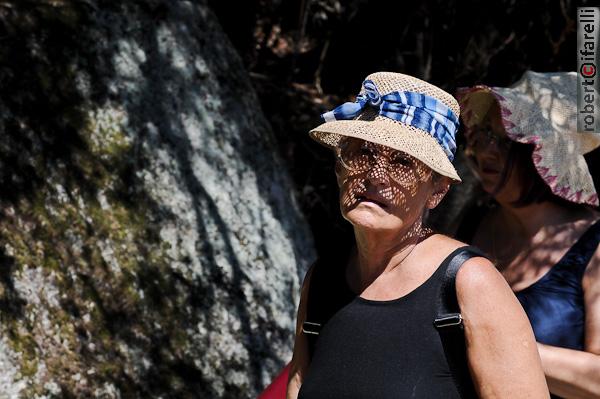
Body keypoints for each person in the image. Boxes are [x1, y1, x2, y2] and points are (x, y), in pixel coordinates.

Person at [286, 71, 549, 398]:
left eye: (401, 162)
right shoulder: (322, 281)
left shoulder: (469, 284)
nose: (376, 177)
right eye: (364, 153)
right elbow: (297, 386)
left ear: (437, 190)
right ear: (340, 166)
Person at [455, 71, 600, 399]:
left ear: (542, 155)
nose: (482, 150)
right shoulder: (469, 223)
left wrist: (500, 342)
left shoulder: (594, 246)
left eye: (502, 138)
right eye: (482, 133)